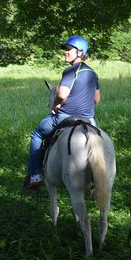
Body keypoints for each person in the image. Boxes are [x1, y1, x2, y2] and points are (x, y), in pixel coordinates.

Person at [24, 36, 101, 189]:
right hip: (89, 119)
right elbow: (97, 99)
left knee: (37, 135)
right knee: (98, 141)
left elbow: (61, 94)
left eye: (68, 49)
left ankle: (35, 175)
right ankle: (96, 178)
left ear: (80, 52)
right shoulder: (92, 73)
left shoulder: (70, 71)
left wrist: (55, 106)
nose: (65, 52)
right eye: (65, 49)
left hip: (65, 116)